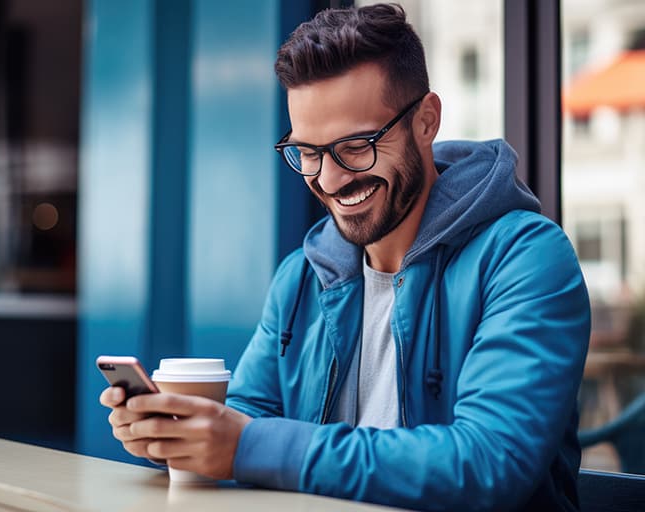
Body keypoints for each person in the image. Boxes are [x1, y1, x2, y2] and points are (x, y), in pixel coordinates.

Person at [100, 4, 590, 511]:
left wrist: (244, 446)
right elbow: (247, 416)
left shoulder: (525, 258)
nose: (330, 181)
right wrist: (179, 434)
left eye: (356, 146)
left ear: (426, 122)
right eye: (307, 153)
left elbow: (490, 462)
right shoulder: (302, 278)